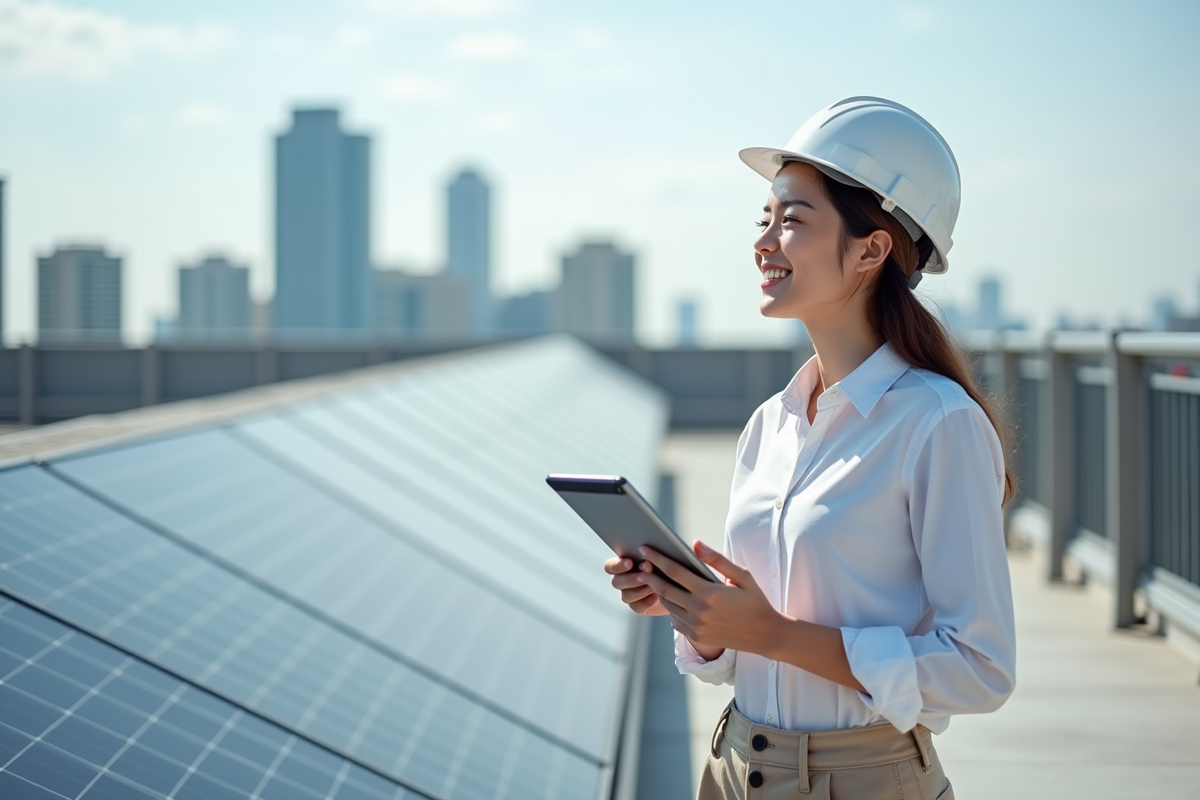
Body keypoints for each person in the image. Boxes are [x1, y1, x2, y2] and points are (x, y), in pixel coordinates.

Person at [604, 97, 1016, 800]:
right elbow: (741, 655)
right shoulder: (771, 423)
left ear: (870, 250)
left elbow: (979, 668)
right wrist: (697, 616)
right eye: (764, 219)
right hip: (733, 767)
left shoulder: (938, 423)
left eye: (791, 220)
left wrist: (772, 634)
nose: (764, 242)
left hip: (861, 780)